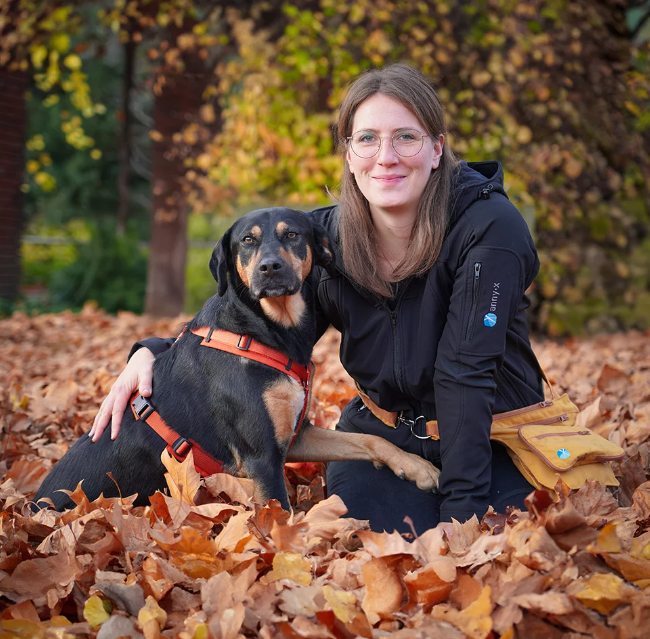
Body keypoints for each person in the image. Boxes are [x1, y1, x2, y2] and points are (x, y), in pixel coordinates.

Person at [89, 64, 543, 533]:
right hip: (386, 436)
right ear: (349, 154)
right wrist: (153, 351)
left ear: (437, 149)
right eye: (367, 139)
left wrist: (462, 516)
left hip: (496, 436)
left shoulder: (489, 228)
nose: (386, 157)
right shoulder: (323, 236)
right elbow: (245, 319)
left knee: (508, 538)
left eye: (406, 137)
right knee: (383, 543)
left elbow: (466, 373)